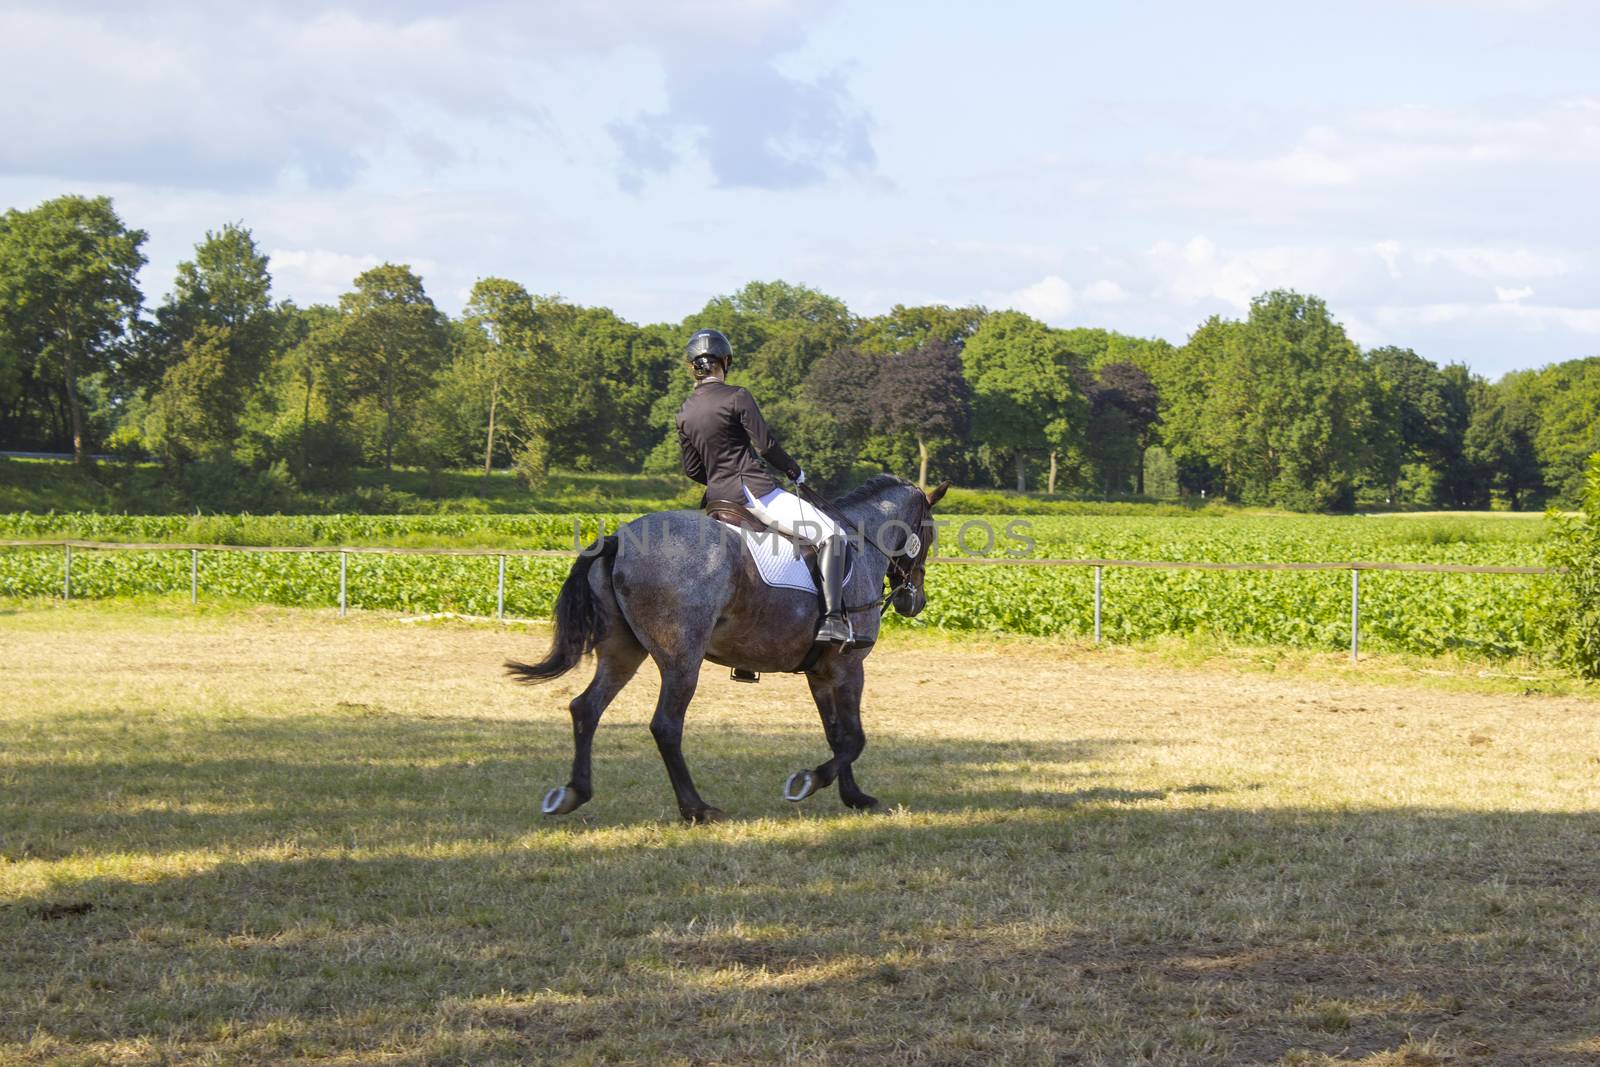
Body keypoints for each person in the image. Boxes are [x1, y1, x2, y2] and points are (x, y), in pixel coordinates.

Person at [675, 328, 854, 646]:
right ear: (725, 362)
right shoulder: (736, 396)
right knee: (832, 536)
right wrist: (794, 470)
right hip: (753, 493)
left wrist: (719, 480)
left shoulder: (684, 412)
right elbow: (766, 445)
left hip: (717, 502)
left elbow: (692, 469)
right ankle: (833, 621)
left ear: (693, 366)